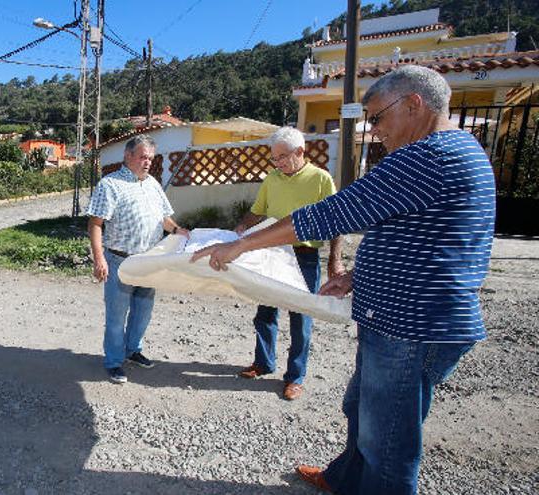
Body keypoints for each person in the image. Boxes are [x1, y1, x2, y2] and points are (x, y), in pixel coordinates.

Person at [191, 64, 495, 494]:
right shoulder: (459, 150)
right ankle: (345, 480)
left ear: (414, 104)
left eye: (377, 118)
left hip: (413, 325)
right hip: (406, 318)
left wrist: (238, 246)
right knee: (361, 408)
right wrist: (358, 273)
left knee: (387, 438)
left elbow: (331, 214)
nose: (375, 131)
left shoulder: (428, 155)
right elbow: (433, 241)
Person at [233, 126, 344, 401]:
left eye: (282, 157)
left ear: (300, 152)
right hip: (271, 253)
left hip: (304, 257)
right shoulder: (272, 179)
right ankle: (263, 362)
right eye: (275, 158)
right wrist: (241, 227)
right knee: (265, 313)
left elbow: (338, 222)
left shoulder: (321, 179)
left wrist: (335, 258)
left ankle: (295, 377)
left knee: (300, 319)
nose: (278, 163)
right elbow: (258, 212)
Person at [86, 134, 189, 384]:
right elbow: (95, 224)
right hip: (119, 261)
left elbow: (164, 217)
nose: (147, 162)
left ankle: (133, 350)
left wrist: (177, 230)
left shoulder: (152, 183)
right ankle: (113, 362)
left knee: (143, 312)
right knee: (116, 316)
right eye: (143, 157)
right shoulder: (110, 185)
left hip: (148, 262)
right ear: (128, 156)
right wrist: (99, 259)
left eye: (151, 158)